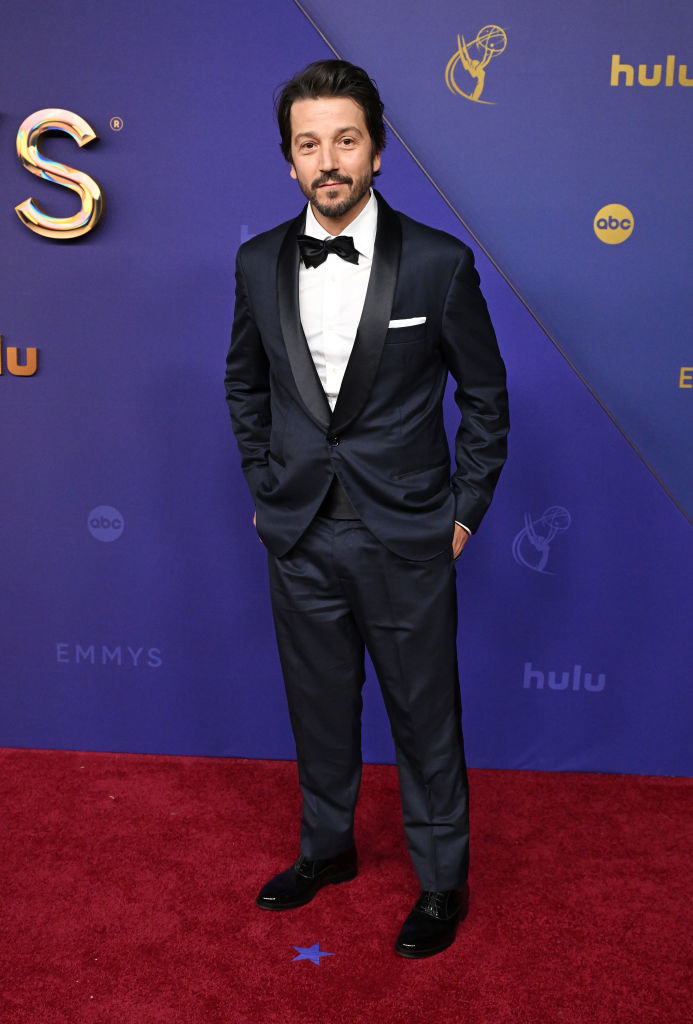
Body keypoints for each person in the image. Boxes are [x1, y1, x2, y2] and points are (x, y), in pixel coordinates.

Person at [225, 59, 509, 959]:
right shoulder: (256, 259)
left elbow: (488, 402)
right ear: (289, 162)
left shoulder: (437, 263)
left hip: (408, 533)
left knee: (425, 715)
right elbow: (244, 384)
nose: (328, 159)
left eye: (344, 139)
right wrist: (265, 490)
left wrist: (459, 515)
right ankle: (326, 850)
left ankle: (439, 884)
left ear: (378, 152)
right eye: (309, 144)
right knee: (317, 706)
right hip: (299, 530)